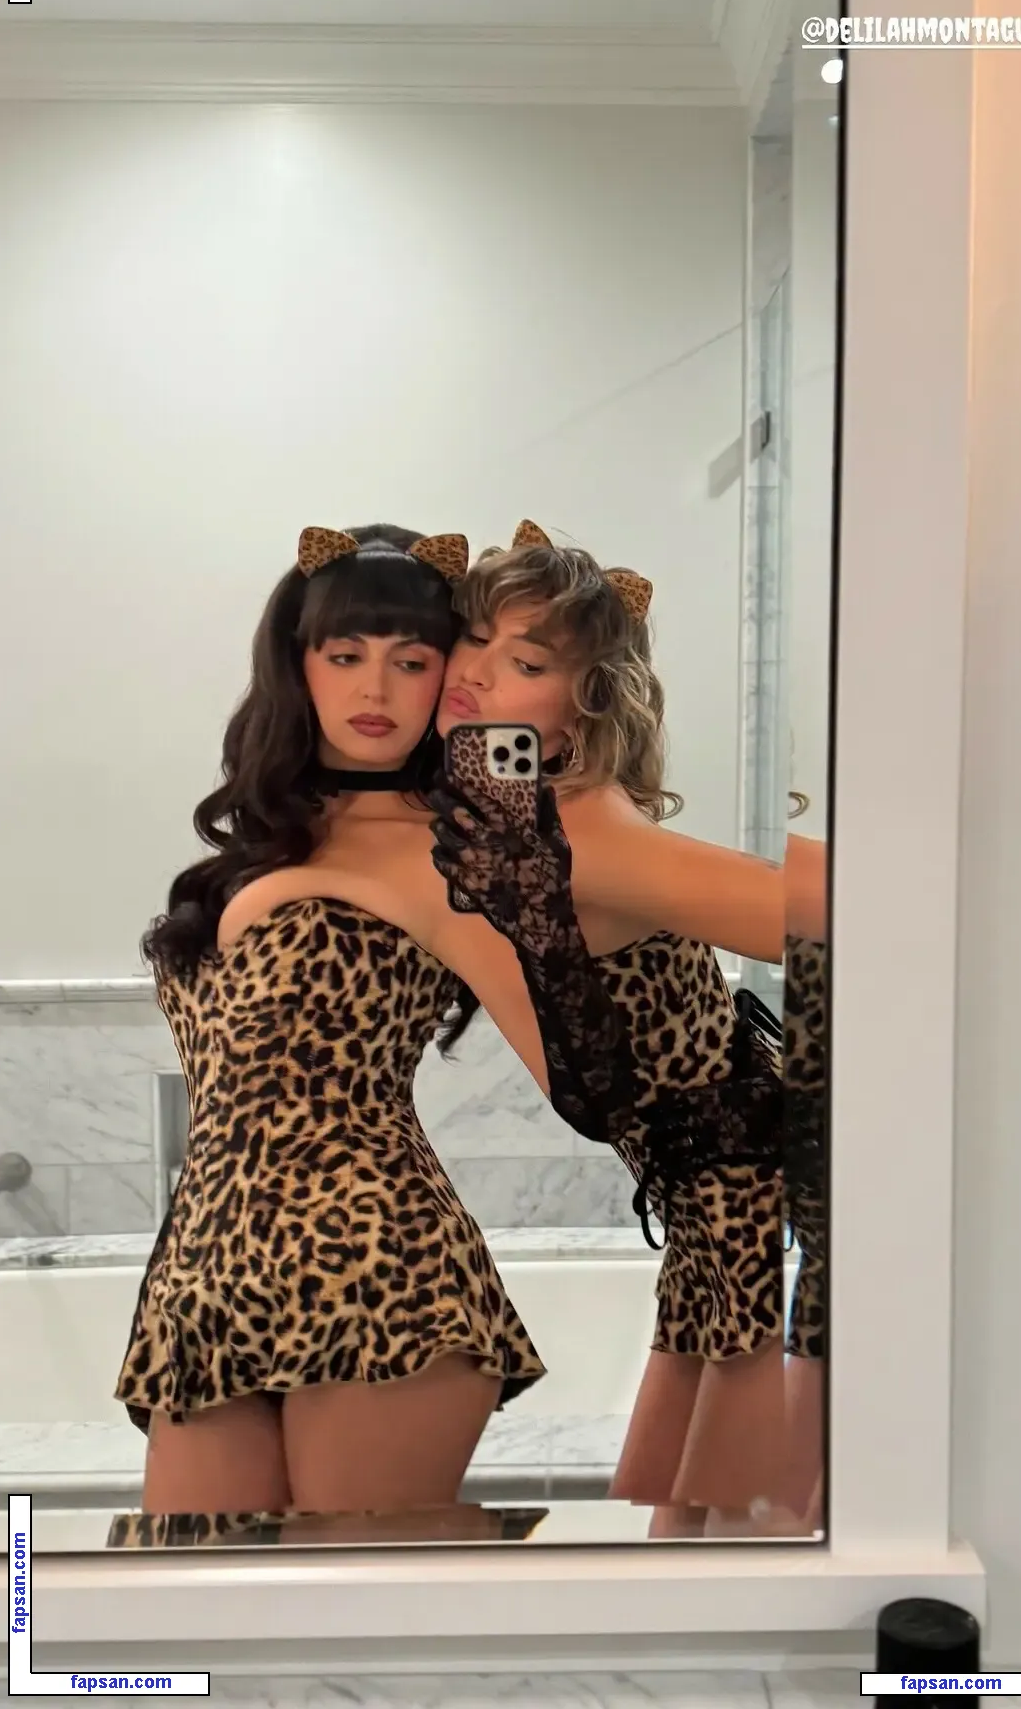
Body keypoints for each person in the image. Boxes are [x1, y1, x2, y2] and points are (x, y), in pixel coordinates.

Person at [114, 522, 636, 1520]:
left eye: (412, 660)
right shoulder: (272, 842)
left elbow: (590, 1077)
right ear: (298, 665)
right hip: (209, 1275)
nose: (377, 690)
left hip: (378, 1270)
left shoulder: (449, 850)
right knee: (191, 1591)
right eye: (345, 655)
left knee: (349, 1599)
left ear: (445, 676)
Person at [431, 520, 826, 1537]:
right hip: (713, 1200)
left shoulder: (584, 833)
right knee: (701, 1519)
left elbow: (833, 915)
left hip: (748, 1197)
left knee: (742, 1520)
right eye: (472, 638)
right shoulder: (520, 821)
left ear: (584, 709)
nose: (476, 673)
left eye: (526, 664)